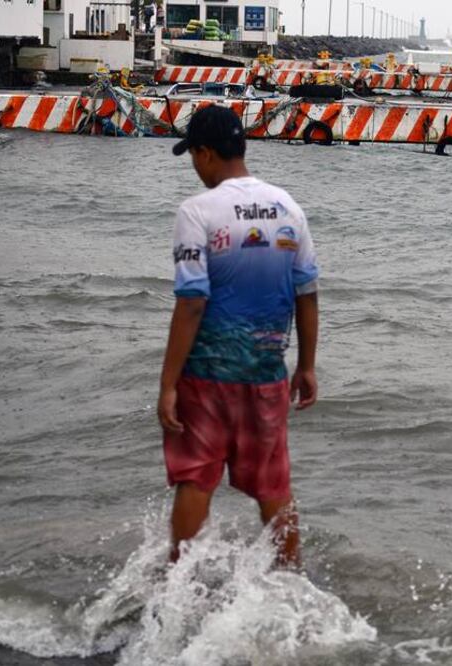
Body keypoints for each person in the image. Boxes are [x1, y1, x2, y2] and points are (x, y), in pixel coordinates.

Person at [158, 105, 319, 568]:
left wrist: (168, 384)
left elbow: (191, 302)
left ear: (206, 153)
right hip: (266, 373)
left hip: (207, 375)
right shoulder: (288, 207)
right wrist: (305, 366)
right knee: (273, 484)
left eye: (193, 155)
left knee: (196, 479)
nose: (194, 165)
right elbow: (307, 295)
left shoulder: (197, 211)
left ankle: (177, 584)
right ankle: (291, 578)